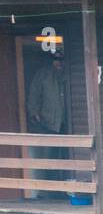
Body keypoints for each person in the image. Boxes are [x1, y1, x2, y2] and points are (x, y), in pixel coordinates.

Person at [26, 50, 68, 193]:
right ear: (51, 61)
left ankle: (66, 189)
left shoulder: (69, 74)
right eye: (56, 60)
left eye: (62, 60)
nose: (59, 63)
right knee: (49, 158)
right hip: (47, 123)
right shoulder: (42, 75)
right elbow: (33, 96)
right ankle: (48, 191)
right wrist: (35, 113)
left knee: (67, 157)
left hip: (67, 123)